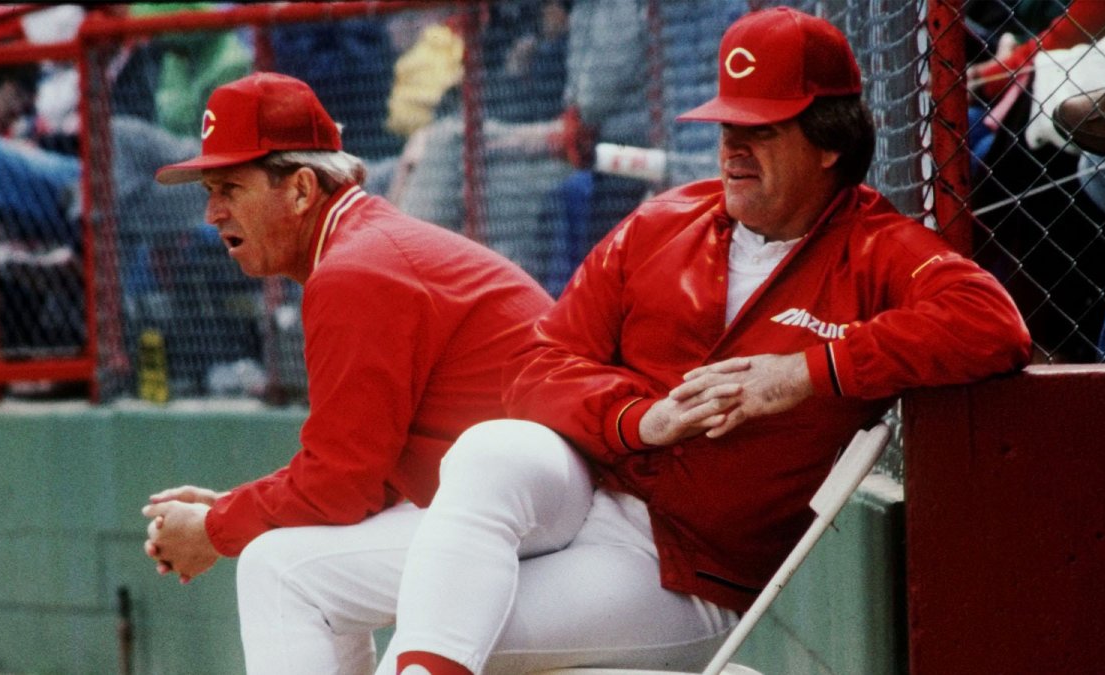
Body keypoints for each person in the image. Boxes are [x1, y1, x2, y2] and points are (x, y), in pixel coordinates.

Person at [382, 7, 1033, 675]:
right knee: (487, 451)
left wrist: (805, 372)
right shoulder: (663, 223)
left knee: (440, 637)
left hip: (683, 571)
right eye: (727, 128)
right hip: (584, 489)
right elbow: (534, 369)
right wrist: (640, 417)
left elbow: (990, 323)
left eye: (761, 131)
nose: (732, 150)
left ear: (829, 142)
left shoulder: (878, 248)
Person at [138, 72, 553, 673]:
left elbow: (341, 485)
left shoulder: (355, 269)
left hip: (557, 526)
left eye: (229, 187)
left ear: (302, 189)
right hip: (535, 513)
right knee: (290, 555)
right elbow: (362, 479)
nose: (212, 213)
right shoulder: (364, 246)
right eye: (209, 189)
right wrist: (229, 510)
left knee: (277, 569)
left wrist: (216, 527)